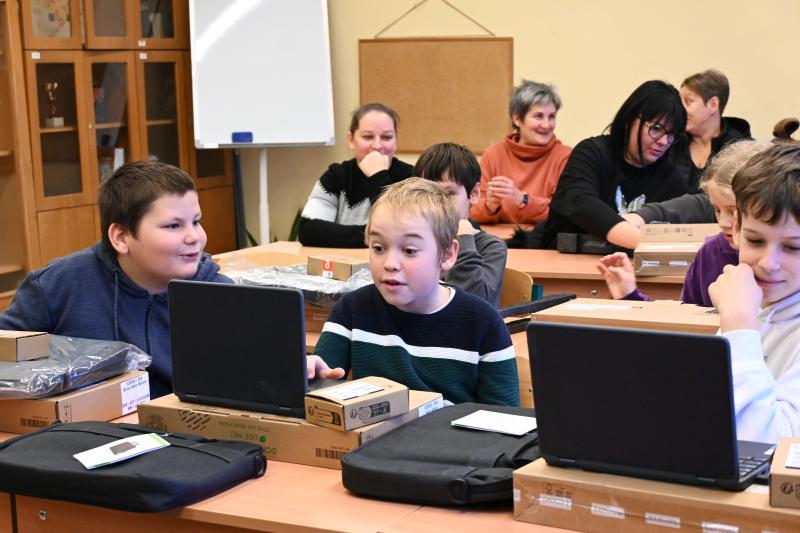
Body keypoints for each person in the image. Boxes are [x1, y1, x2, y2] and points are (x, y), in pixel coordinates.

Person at [0, 161, 230, 398]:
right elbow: (5, 352)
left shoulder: (221, 295)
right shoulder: (57, 285)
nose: (194, 237)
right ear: (121, 237)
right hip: (85, 426)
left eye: (196, 221)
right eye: (173, 225)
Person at [306, 178, 519, 406]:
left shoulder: (483, 323)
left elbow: (503, 420)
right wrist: (314, 369)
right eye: (378, 248)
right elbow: (325, 380)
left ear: (447, 255)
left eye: (409, 250)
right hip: (376, 440)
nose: (390, 263)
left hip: (450, 441)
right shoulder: (351, 310)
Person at [596, 141, 769, 306]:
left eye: (733, 211)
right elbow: (686, 321)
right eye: (716, 209)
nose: (723, 222)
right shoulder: (709, 253)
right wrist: (631, 296)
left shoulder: (779, 262)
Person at [526, 80, 694, 250]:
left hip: (631, 273)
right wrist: (648, 244)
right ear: (630, 120)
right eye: (656, 128)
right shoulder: (592, 153)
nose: (664, 141)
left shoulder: (671, 177)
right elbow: (580, 201)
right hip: (562, 264)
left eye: (672, 134)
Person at [708, 143, 800, 443]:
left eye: (793, 247)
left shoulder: (742, 315)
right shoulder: (753, 302)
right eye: (755, 241)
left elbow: (766, 446)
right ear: (736, 229)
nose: (768, 263)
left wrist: (738, 328)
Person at [625, 69, 752, 226]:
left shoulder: (741, 151)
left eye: (687, 101)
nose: (678, 109)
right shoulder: (668, 143)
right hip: (661, 234)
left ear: (713, 105)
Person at [297, 102, 413, 247]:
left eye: (387, 137)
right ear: (351, 140)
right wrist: (373, 237)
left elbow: (400, 231)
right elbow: (308, 229)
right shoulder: (336, 175)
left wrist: (378, 176)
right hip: (344, 265)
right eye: (368, 137)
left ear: (396, 140)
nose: (377, 145)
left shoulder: (412, 178)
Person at [413, 142, 507, 306]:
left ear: (474, 193)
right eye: (428, 193)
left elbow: (474, 308)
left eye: (449, 194)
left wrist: (464, 243)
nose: (437, 203)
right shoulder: (412, 241)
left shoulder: (491, 247)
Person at [470, 80, 571, 225]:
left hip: (544, 243)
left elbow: (564, 213)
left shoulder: (566, 157)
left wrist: (522, 199)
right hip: (498, 242)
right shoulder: (494, 154)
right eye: (538, 116)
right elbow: (471, 211)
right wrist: (489, 206)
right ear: (517, 119)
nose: (547, 125)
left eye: (552, 116)